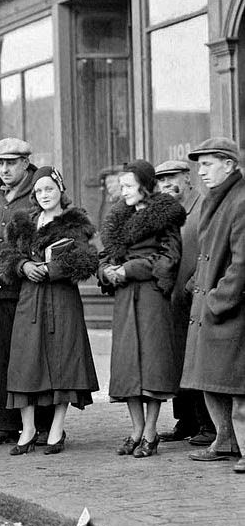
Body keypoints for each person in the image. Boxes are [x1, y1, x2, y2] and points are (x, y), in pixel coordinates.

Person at [0, 166, 99, 455]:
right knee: (26, 362)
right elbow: (5, 255)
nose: (43, 195)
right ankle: (27, 429)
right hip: (29, 300)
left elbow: (87, 259)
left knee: (62, 361)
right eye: (38, 191)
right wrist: (23, 266)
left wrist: (52, 269)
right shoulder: (24, 223)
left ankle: (56, 428)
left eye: (49, 189)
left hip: (62, 300)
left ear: (60, 189)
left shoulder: (74, 224)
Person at [98, 160, 185, 459]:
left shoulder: (165, 217)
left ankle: (150, 432)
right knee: (127, 368)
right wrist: (106, 271)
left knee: (151, 366)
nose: (123, 192)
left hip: (150, 297)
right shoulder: (117, 219)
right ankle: (136, 430)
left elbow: (169, 258)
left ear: (146, 187)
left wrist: (129, 269)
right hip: (124, 299)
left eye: (129, 186)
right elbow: (104, 255)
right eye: (121, 187)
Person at [0, 137, 53, 446]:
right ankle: (6, 424)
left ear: (26, 163)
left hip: (31, 289)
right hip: (1, 291)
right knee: (2, 359)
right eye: (1, 163)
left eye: (11, 163)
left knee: (36, 358)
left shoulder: (39, 192)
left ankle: (46, 425)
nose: (5, 169)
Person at [180, 137, 245, 474]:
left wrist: (218, 299)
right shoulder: (217, 199)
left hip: (230, 309)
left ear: (229, 164)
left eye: (207, 164)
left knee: (237, 383)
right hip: (211, 307)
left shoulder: (240, 200)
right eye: (199, 164)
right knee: (214, 378)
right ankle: (225, 441)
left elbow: (242, 264)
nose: (200, 171)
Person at [154, 160, 215, 446]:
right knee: (178, 359)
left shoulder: (203, 208)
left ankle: (208, 425)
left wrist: (194, 286)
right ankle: (186, 421)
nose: (166, 185)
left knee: (198, 361)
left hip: (196, 299)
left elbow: (211, 254)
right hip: (172, 301)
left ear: (188, 178)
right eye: (161, 181)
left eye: (172, 179)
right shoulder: (168, 214)